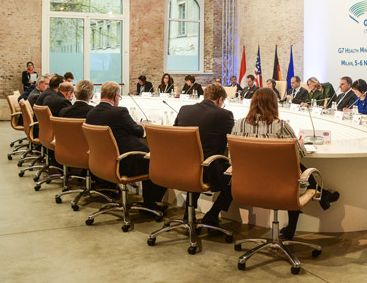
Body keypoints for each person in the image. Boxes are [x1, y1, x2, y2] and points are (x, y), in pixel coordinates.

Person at [231, 88, 340, 240]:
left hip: (247, 185)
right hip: (280, 186)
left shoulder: (238, 125)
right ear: (274, 104)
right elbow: (299, 154)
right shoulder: (281, 126)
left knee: (291, 170)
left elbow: (232, 157)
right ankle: (317, 202)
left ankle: (323, 197)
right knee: (293, 172)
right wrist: (300, 144)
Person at [86, 81, 167, 211]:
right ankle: (151, 204)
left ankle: (150, 203)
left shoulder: (91, 113)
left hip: (102, 162)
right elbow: (139, 132)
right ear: (116, 96)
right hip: (124, 163)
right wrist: (140, 125)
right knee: (159, 162)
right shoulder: (119, 112)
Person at [174, 84, 234, 226]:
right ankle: (212, 215)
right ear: (220, 99)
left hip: (181, 168)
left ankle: (188, 214)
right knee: (238, 176)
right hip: (207, 170)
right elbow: (232, 139)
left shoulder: (184, 109)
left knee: (196, 162)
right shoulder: (224, 115)